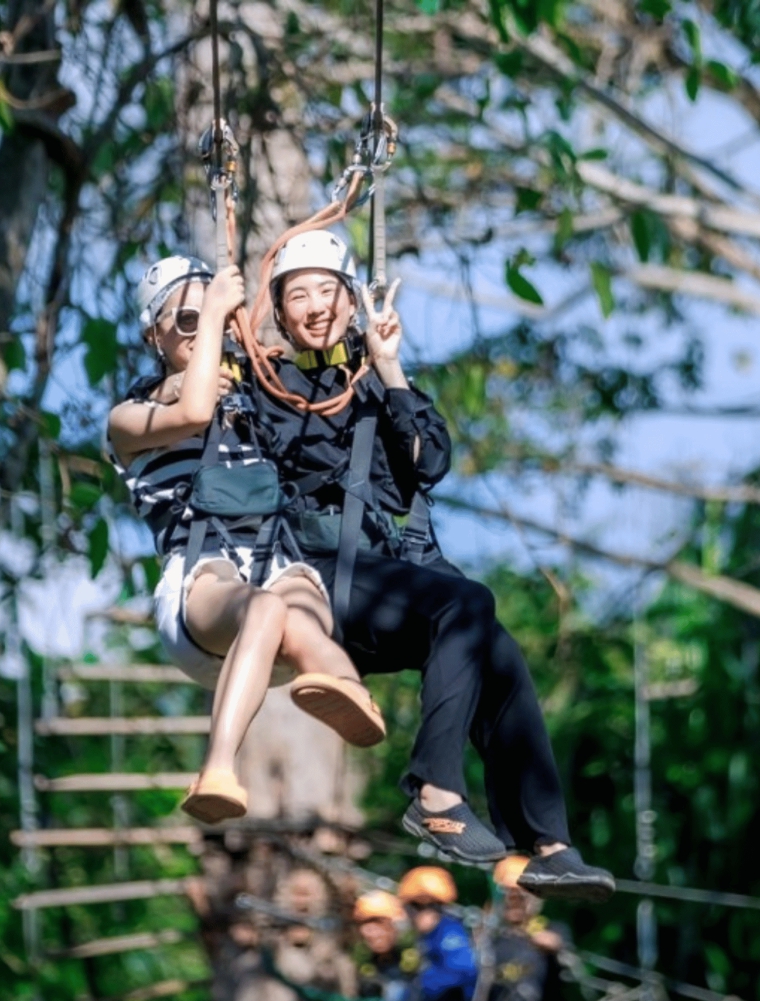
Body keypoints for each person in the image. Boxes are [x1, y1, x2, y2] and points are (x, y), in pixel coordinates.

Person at [247, 230, 614, 902]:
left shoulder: (378, 385)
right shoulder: (263, 386)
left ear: (352, 300)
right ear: (279, 310)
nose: (315, 305)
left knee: (497, 649)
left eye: (327, 289)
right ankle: (435, 787)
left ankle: (547, 843)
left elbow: (431, 462)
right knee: (467, 602)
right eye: (298, 294)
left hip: (396, 578)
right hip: (326, 582)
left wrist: (389, 367)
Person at [109, 255, 385, 824]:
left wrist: (373, 347)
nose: (199, 327)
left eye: (211, 317)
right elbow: (192, 407)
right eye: (184, 321)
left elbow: (329, 394)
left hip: (275, 556)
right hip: (202, 578)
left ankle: (347, 689)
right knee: (264, 608)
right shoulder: (128, 418)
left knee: (301, 609)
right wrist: (213, 315)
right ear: (152, 335)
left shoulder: (259, 393)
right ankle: (217, 767)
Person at [485, 857, 568, 1001]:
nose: (514, 902)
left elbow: (566, 955)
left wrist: (554, 946)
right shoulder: (488, 934)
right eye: (508, 896)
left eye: (521, 897)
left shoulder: (553, 930)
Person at [398, 866, 477, 1001]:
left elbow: (463, 970)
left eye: (430, 906)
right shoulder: (429, 936)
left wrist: (422, 986)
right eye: (413, 907)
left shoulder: (449, 932)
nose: (414, 914)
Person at [353, 890, 418, 1001]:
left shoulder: (420, 968)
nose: (371, 932)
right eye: (365, 924)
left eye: (379, 923)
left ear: (397, 928)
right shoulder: (355, 964)